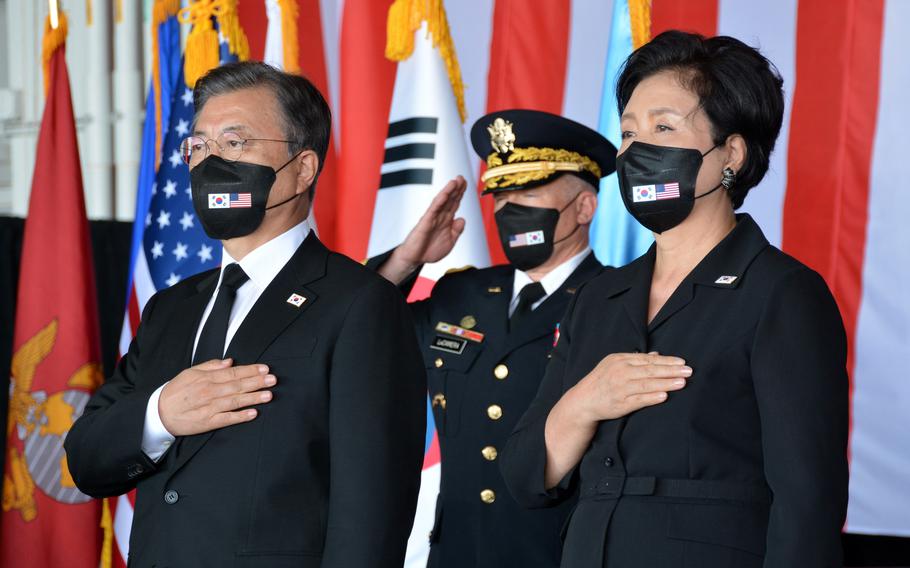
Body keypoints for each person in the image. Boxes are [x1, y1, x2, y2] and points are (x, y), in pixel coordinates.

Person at [500, 31, 849, 568]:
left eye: (664, 127)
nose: (636, 151)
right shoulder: (598, 297)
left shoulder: (782, 294)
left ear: (731, 152)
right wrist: (584, 402)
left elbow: (807, 506)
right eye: (628, 133)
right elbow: (526, 479)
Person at [64, 61, 426, 568]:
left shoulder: (360, 303)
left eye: (235, 143)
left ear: (302, 169)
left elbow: (370, 516)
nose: (211, 162)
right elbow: (86, 459)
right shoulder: (171, 307)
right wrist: (162, 413)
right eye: (200, 146)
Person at [369, 109, 616, 568]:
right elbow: (364, 334)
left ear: (584, 207)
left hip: (556, 554)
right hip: (456, 552)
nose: (510, 209)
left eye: (530, 191)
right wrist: (408, 258)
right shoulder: (461, 294)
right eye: (501, 195)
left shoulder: (617, 301)